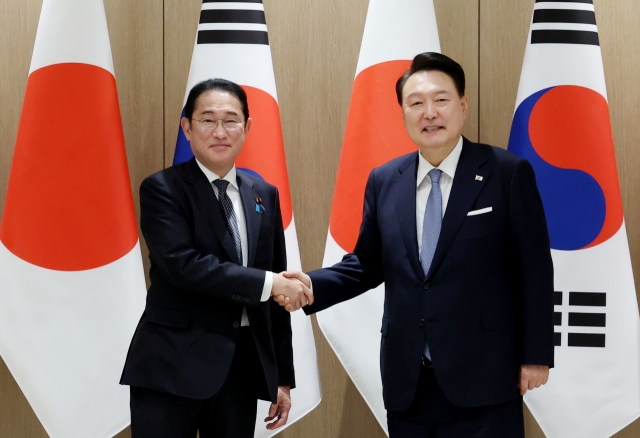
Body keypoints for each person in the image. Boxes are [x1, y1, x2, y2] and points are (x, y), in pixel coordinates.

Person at [281, 52, 554, 437]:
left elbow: (535, 271)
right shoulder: (385, 180)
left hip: (485, 376)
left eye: (441, 100)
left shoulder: (506, 173)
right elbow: (367, 263)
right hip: (408, 381)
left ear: (462, 106)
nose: (429, 112)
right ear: (403, 112)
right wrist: (310, 286)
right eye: (416, 103)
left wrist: (536, 356)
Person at [120, 78, 312, 438]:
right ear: (187, 128)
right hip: (170, 367)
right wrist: (271, 284)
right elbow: (184, 266)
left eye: (231, 120)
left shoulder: (264, 195)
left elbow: (276, 297)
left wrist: (281, 377)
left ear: (247, 127)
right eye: (207, 120)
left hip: (238, 371)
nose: (220, 131)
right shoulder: (163, 189)